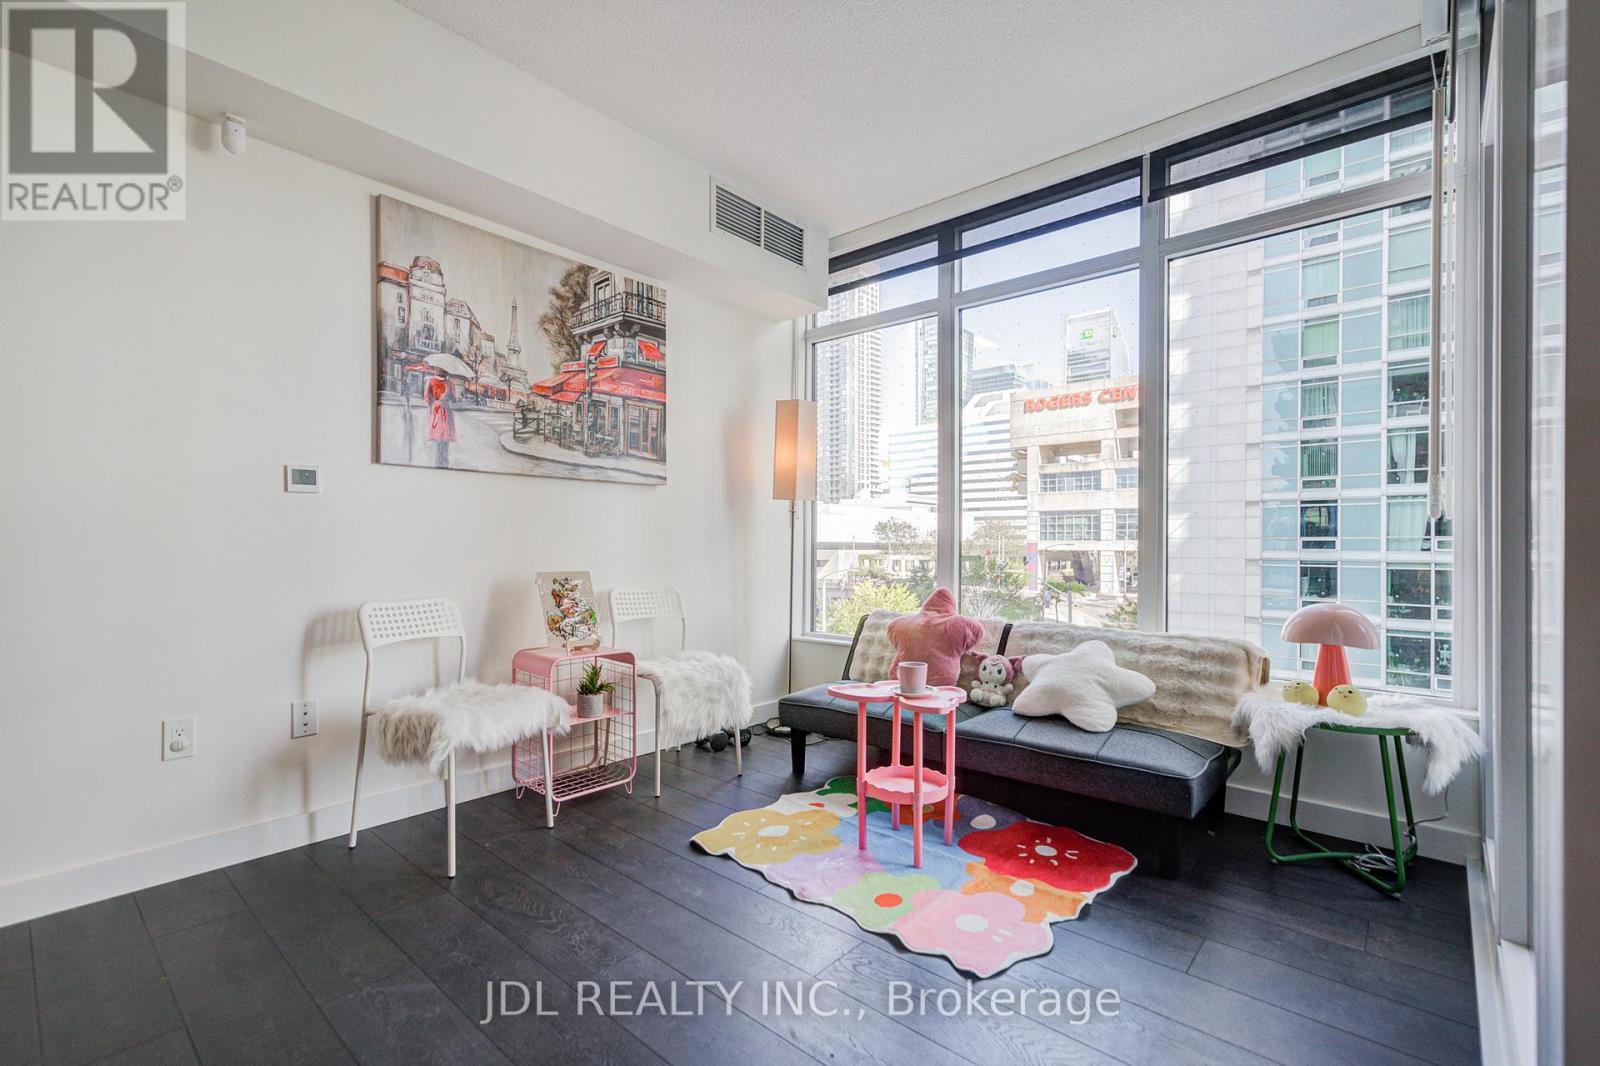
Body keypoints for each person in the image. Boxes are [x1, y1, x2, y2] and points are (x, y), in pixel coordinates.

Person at [426, 377, 455, 468]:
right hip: (446, 409)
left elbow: (427, 398)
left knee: (439, 435)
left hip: (436, 409)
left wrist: (434, 403)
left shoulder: (431, 381)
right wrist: (449, 395)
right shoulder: (450, 384)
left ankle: (439, 462)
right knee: (445, 436)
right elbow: (454, 399)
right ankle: (444, 461)